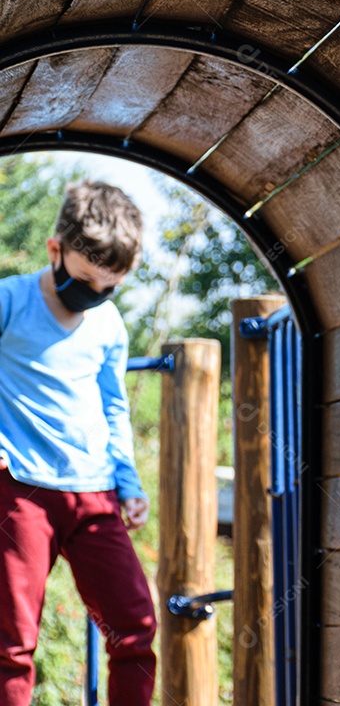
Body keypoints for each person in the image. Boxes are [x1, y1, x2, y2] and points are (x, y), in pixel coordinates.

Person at [0, 181, 156, 705]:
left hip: (94, 493)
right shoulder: (10, 301)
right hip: (21, 490)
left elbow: (113, 407)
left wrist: (128, 482)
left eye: (110, 286)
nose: (96, 293)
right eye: (87, 280)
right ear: (55, 249)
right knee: (12, 642)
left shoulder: (108, 323)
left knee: (135, 627)